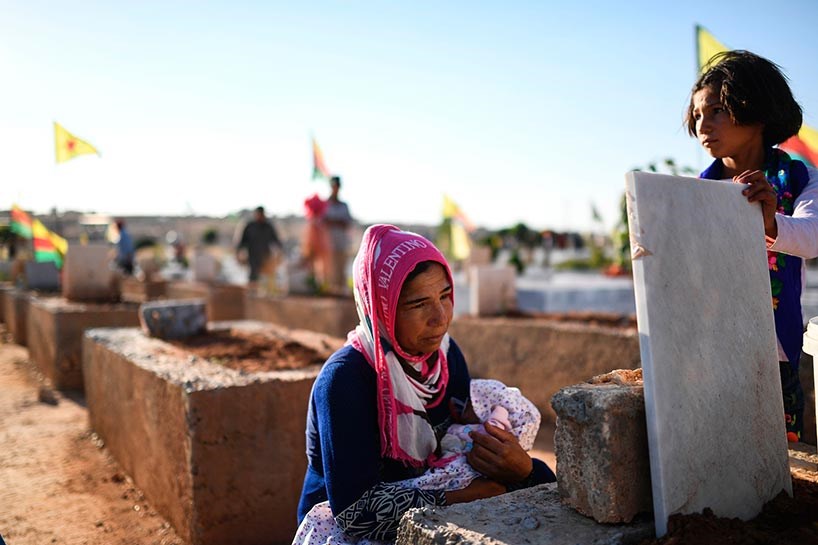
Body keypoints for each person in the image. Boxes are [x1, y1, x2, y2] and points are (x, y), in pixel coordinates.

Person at [294, 225, 555, 544]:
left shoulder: (444, 357)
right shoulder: (346, 380)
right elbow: (355, 513)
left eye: (445, 296)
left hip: (433, 486)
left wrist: (524, 469)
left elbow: (461, 443)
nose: (440, 318)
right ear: (382, 309)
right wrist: (462, 499)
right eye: (418, 304)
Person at [687, 50, 818, 442]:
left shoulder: (798, 176)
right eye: (696, 116)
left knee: (777, 460)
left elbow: (811, 236)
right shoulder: (693, 191)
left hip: (775, 352)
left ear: (755, 111)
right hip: (704, 351)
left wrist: (770, 222)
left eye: (715, 111)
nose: (702, 125)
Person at [236, 206, 282, 283]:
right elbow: (242, 242)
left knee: (266, 276)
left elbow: (276, 241)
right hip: (252, 256)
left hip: (265, 255)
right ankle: (252, 291)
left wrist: (279, 252)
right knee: (253, 276)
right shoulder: (250, 226)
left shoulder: (268, 227)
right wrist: (238, 253)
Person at [323, 176, 353, 294]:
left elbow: (347, 223)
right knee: (329, 269)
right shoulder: (325, 205)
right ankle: (329, 291)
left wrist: (333, 222)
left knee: (341, 268)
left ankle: (340, 292)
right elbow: (322, 222)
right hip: (328, 243)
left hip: (341, 242)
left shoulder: (344, 205)